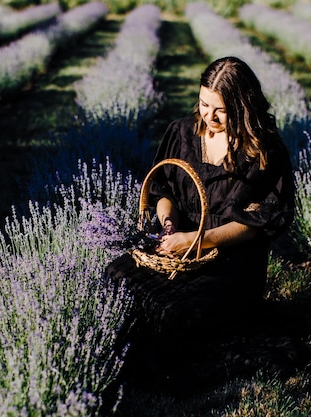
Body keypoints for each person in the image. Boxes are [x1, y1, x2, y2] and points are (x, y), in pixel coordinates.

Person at [105, 56, 296, 389]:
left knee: (176, 314)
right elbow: (165, 189)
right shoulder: (183, 132)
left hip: (230, 256)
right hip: (179, 242)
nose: (209, 115)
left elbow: (256, 223)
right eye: (203, 103)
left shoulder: (264, 152)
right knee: (116, 275)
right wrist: (169, 228)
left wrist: (198, 240)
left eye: (220, 109)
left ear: (244, 108)